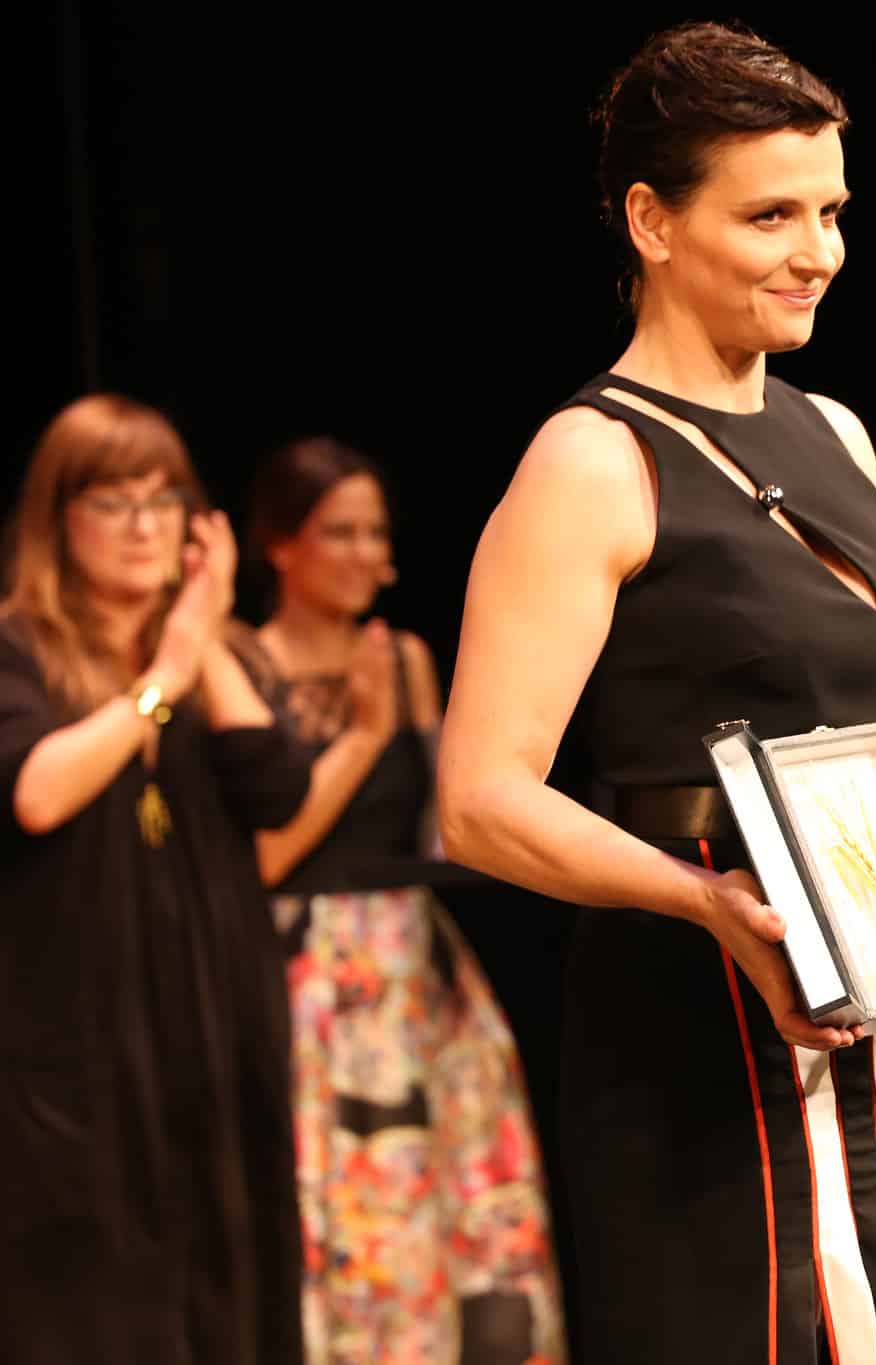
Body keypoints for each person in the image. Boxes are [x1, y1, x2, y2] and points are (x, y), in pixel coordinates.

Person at [436, 22, 876, 1364]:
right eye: (770, 216)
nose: (819, 251)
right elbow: (479, 801)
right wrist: (709, 905)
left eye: (831, 212)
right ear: (652, 221)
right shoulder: (591, 460)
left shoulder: (838, 434)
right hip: (700, 1015)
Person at [0, 394, 307, 1363]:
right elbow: (35, 792)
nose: (145, 527)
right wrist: (163, 677)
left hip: (211, 1033)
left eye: (165, 501)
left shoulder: (215, 660)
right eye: (114, 503)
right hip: (66, 1052)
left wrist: (205, 635)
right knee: (87, 1303)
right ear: (57, 519)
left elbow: (276, 789)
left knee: (228, 1286)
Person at [234, 437, 564, 1364]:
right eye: (338, 532)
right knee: (337, 1199)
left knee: (451, 1197)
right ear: (281, 544)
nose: (365, 554)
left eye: (375, 532)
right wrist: (364, 731)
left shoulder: (406, 657)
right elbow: (265, 855)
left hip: (416, 965)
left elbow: (438, 823)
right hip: (306, 971)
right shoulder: (244, 664)